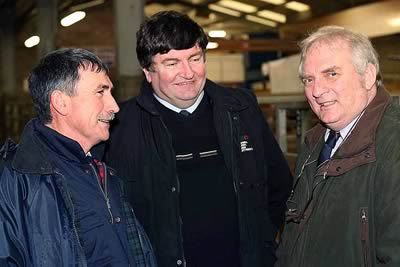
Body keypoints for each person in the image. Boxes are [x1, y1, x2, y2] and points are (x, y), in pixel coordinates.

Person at [103, 10, 293, 267]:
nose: (188, 72)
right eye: (172, 63)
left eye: (195, 58)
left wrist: (268, 246)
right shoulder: (119, 126)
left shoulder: (241, 108)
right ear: (148, 71)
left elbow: (279, 187)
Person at [0, 48, 156, 267]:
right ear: (61, 102)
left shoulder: (102, 171)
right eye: (100, 92)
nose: (114, 107)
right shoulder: (15, 181)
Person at [275, 26, 400, 266]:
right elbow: (292, 234)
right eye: (308, 80)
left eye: (331, 74)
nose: (317, 91)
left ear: (368, 75)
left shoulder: (393, 146)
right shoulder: (314, 143)